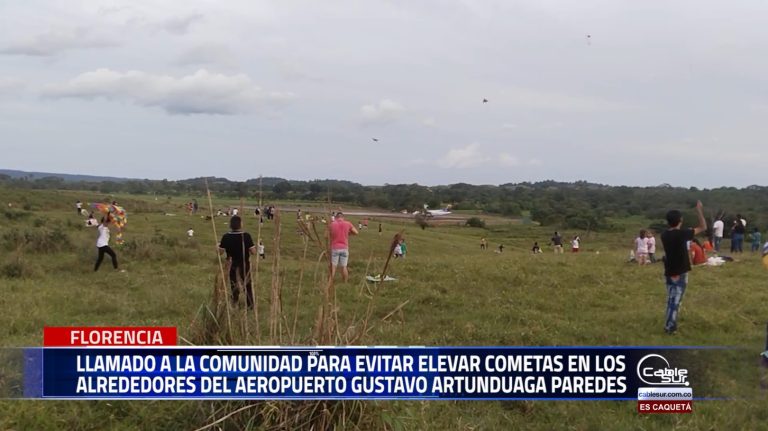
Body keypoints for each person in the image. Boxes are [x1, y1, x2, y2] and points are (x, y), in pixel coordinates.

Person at [660, 200, 706, 334]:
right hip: (680, 271)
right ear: (680, 220)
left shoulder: (665, 234)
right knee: (676, 300)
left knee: (671, 299)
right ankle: (670, 327)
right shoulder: (682, 234)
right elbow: (703, 227)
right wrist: (699, 211)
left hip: (669, 270)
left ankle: (668, 324)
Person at [218, 216, 256, 308]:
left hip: (231, 263)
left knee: (233, 284)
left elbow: (220, 252)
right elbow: (253, 252)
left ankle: (234, 302)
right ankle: (250, 305)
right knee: (247, 284)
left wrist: (217, 246)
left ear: (231, 225)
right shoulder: (246, 236)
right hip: (244, 263)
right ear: (240, 224)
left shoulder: (226, 236)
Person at [329, 212, 359, 282]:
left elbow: (325, 235)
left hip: (335, 247)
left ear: (336, 217)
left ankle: (330, 282)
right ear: (343, 217)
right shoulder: (348, 223)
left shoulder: (332, 224)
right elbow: (356, 232)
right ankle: (345, 282)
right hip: (344, 248)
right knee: (344, 267)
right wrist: (349, 234)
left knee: (333, 267)